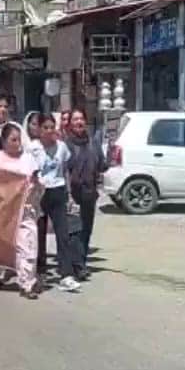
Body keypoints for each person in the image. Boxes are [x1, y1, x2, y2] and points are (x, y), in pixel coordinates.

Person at [0, 124, 43, 299]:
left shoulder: (27, 159)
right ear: (4, 140)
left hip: (24, 209)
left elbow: (36, 182)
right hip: (2, 211)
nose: (17, 143)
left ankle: (27, 284)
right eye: (13, 139)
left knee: (29, 245)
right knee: (0, 245)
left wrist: (35, 184)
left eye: (19, 139)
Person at [33, 116, 79, 292]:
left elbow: (65, 171)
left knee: (63, 234)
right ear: (39, 129)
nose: (49, 131)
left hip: (58, 191)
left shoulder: (62, 147)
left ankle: (66, 274)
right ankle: (41, 273)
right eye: (46, 127)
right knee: (39, 234)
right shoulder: (33, 148)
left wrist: (69, 195)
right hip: (40, 193)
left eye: (52, 127)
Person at [64, 109, 106, 281]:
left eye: (82, 118)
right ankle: (78, 266)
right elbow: (64, 169)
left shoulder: (93, 143)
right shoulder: (65, 145)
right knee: (75, 229)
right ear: (70, 124)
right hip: (72, 193)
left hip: (89, 192)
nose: (79, 122)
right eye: (75, 119)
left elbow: (102, 164)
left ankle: (81, 262)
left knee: (86, 230)